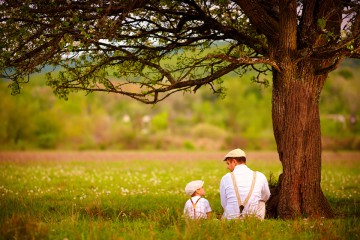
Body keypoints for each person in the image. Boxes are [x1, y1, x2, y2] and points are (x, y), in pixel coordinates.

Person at [220, 148, 270, 220]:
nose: (227, 167)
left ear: (234, 162)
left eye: (228, 163)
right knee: (261, 201)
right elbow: (266, 196)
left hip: (231, 219)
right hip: (252, 218)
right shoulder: (260, 176)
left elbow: (224, 203)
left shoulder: (225, 178)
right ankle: (258, 221)